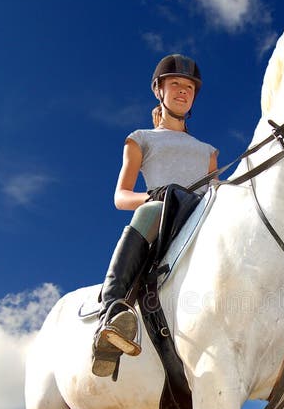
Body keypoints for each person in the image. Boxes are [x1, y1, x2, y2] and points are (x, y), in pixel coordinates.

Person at [92, 54, 218, 378]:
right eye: (175, 83)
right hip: (162, 216)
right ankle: (112, 311)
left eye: (189, 87)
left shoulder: (208, 151)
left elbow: (217, 192)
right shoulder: (140, 139)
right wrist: (153, 195)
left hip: (202, 217)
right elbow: (120, 197)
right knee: (151, 210)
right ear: (159, 90)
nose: (183, 91)